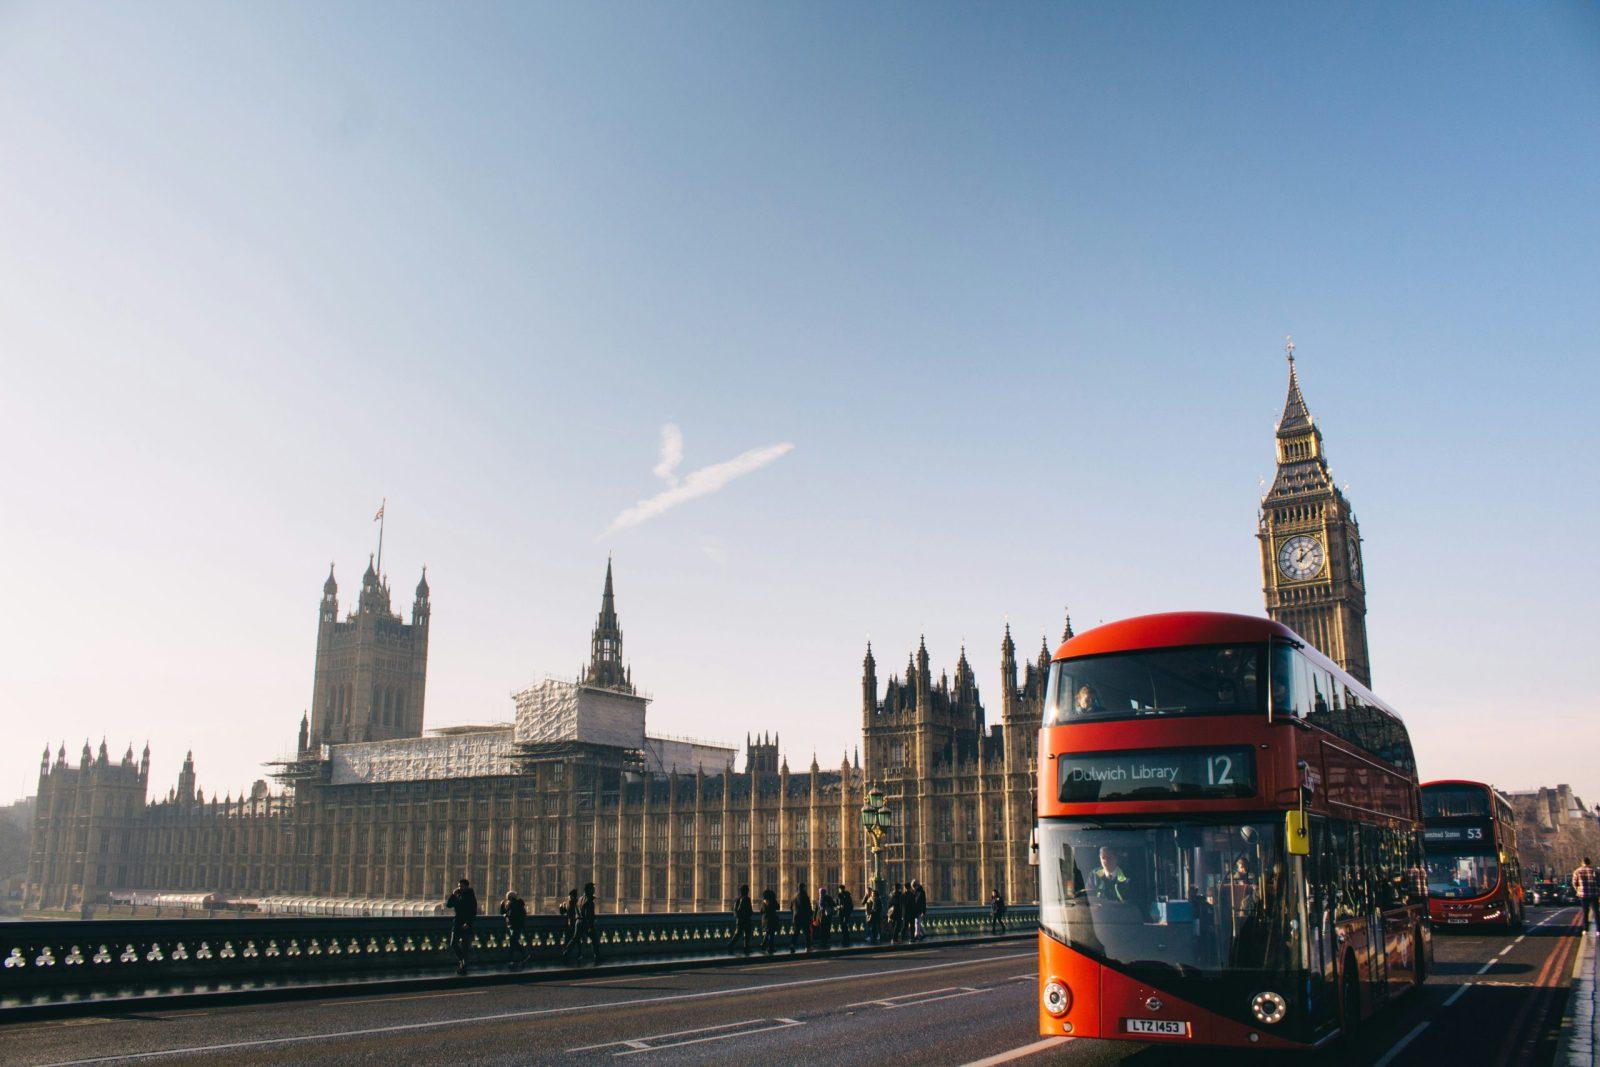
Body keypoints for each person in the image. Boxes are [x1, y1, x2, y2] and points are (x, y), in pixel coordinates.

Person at [561, 882, 601, 964]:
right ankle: (597, 957)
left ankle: (565, 953)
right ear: (589, 890)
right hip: (585, 922)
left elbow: (576, 910)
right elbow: (588, 915)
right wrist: (590, 925)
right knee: (595, 939)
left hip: (578, 922)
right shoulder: (589, 900)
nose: (594, 890)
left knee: (574, 939)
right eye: (593, 888)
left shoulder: (579, 899)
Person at [445, 878, 478, 975]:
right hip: (457, 923)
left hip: (466, 925)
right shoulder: (457, 895)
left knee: (465, 947)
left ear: (467, 886)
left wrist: (468, 923)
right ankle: (462, 961)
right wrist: (453, 895)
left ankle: (463, 966)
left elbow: (473, 912)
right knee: (453, 944)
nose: (459, 887)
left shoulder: (471, 897)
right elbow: (448, 905)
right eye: (459, 886)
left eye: (461, 886)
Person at [500, 889, 528, 967]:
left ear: (510, 898)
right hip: (517, 926)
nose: (507, 899)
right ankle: (515, 958)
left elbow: (507, 914)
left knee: (513, 941)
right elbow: (505, 913)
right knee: (513, 942)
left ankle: (522, 955)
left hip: (515, 926)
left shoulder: (513, 905)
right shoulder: (517, 904)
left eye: (508, 897)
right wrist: (502, 906)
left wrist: (503, 907)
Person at [1574, 858, 1599, 935]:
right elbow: (1598, 883)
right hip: (1594, 894)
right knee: (1596, 912)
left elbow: (1575, 883)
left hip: (1583, 894)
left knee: (1585, 912)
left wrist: (1578, 890)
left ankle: (1585, 929)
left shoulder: (1577, 871)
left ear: (1582, 863)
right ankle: (1598, 930)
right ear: (1589, 862)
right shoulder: (1594, 871)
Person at [790, 881, 814, 953]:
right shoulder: (805, 895)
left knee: (796, 933)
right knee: (807, 933)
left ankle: (792, 945)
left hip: (796, 917)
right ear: (803, 888)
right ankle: (808, 947)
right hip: (804, 918)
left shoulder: (794, 896)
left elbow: (791, 908)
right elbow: (808, 907)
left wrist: (795, 914)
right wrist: (810, 915)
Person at [730, 884, 754, 953]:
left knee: (738, 934)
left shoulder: (737, 899)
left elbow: (735, 911)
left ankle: (731, 945)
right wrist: (750, 913)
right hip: (746, 919)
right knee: (747, 934)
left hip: (739, 920)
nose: (748, 891)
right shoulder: (746, 899)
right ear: (746, 891)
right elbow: (749, 909)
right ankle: (746, 947)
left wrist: (738, 917)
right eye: (748, 890)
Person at [759, 888, 780, 954]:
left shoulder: (763, 902)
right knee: (771, 935)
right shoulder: (772, 901)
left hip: (765, 920)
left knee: (768, 933)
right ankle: (770, 947)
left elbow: (761, 911)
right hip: (772, 920)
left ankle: (763, 945)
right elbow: (778, 907)